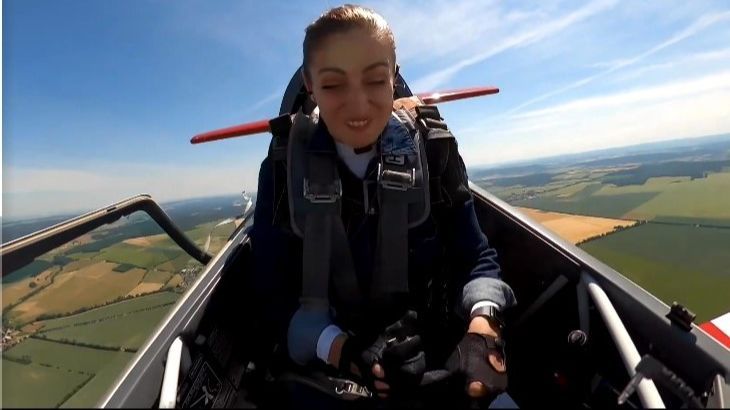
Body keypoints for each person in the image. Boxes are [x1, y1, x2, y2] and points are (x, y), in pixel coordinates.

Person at [249, 4, 516, 408]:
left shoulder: (432, 147)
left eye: (375, 79)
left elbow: (475, 257)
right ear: (310, 83)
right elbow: (271, 297)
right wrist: (348, 355)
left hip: (431, 348)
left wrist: (483, 328)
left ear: (394, 77)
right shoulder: (283, 171)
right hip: (332, 363)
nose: (358, 106)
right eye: (335, 84)